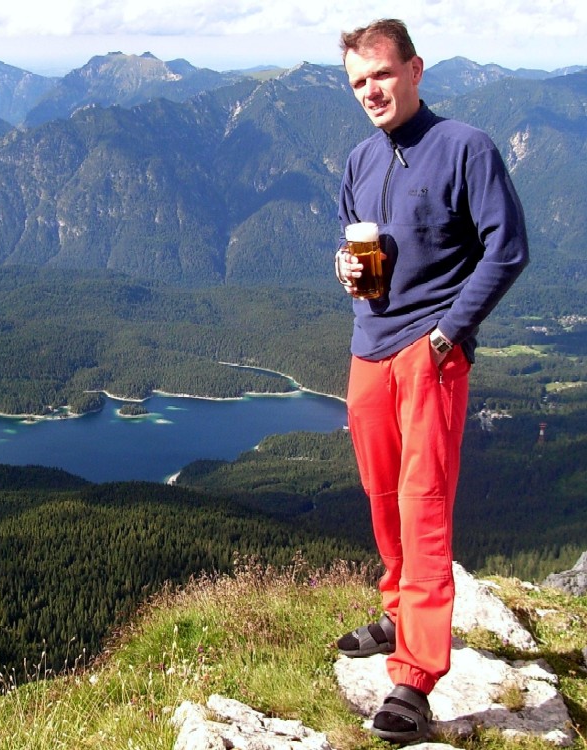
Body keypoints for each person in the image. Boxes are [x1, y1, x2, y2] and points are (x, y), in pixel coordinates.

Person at [333, 18, 529, 744]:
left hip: (429, 352)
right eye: (358, 82)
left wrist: (450, 333)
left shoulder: (464, 147)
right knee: (382, 494)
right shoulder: (359, 160)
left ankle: (415, 678)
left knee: (423, 504)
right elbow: (355, 247)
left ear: (415, 69)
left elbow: (507, 248)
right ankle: (397, 610)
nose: (371, 91)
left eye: (381, 74)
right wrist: (346, 270)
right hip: (368, 347)